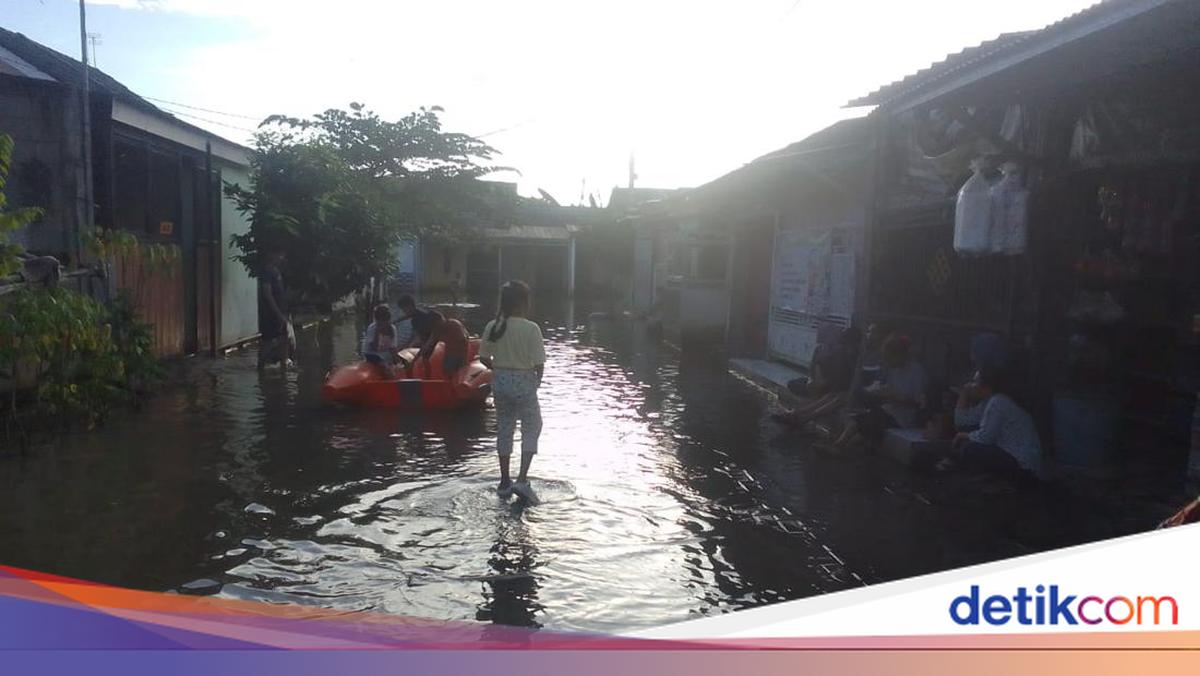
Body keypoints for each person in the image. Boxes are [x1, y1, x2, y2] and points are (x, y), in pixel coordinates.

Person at [479, 281, 546, 503]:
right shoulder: (531, 328)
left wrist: (498, 370)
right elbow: (539, 365)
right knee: (532, 425)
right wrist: (535, 384)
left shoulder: (493, 326)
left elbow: (483, 357)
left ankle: (504, 481)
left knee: (505, 428)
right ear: (522, 302)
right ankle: (522, 479)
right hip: (523, 380)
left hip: (500, 381)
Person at [943, 368, 1044, 482]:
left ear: (985, 387)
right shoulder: (992, 401)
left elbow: (985, 438)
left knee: (970, 448)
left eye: (975, 382)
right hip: (1018, 460)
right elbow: (964, 422)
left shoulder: (997, 402)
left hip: (1024, 466)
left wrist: (962, 435)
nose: (971, 386)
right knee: (968, 443)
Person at [834, 334, 928, 449]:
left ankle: (838, 446)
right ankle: (841, 444)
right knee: (861, 415)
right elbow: (889, 388)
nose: (888, 362)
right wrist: (880, 392)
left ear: (899, 355)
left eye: (889, 358)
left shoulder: (917, 372)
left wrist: (893, 396)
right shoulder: (895, 370)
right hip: (890, 410)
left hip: (903, 419)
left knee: (867, 420)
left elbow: (918, 401)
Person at [776, 326, 862, 427]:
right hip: (839, 390)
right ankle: (795, 414)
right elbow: (816, 369)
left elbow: (852, 380)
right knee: (829, 397)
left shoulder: (854, 356)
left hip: (851, 392)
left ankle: (802, 418)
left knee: (834, 398)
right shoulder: (836, 352)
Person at [257, 247, 292, 370]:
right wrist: (277, 313)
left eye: (282, 255)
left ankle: (284, 366)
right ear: (271, 254)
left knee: (284, 337)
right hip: (270, 313)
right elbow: (267, 294)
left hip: (280, 311)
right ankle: (260, 368)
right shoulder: (267, 271)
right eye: (279, 254)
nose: (281, 257)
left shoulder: (276, 270)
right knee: (268, 340)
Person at [419, 311, 471, 379]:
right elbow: (428, 345)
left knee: (459, 373)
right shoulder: (436, 331)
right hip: (449, 355)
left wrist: (464, 360)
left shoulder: (453, 324)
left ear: (440, 320)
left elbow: (464, 341)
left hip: (461, 354)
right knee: (447, 372)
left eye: (434, 323)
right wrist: (418, 358)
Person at [362, 304, 399, 378]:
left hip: (385, 354)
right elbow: (374, 348)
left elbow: (393, 348)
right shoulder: (372, 328)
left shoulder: (392, 329)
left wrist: (397, 361)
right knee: (384, 367)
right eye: (380, 322)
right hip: (372, 354)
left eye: (385, 321)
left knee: (395, 365)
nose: (383, 324)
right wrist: (377, 333)